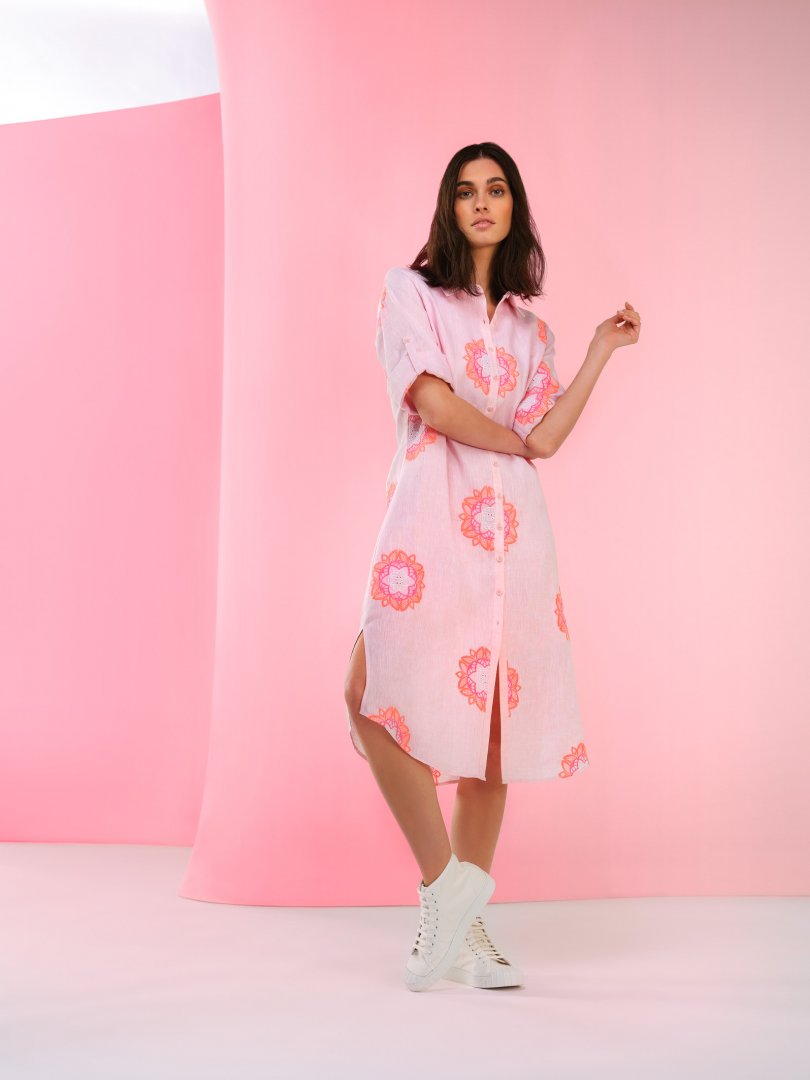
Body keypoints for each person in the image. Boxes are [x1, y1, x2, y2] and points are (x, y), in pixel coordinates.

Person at [343, 142, 641, 992]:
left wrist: (598, 351)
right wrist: (514, 440)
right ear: (449, 207)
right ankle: (448, 889)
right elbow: (433, 403)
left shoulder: (531, 332)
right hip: (428, 525)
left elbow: (547, 439)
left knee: (493, 739)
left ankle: (468, 936)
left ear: (513, 208)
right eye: (466, 190)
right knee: (367, 693)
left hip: (514, 537)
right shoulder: (409, 293)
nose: (481, 202)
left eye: (496, 189)